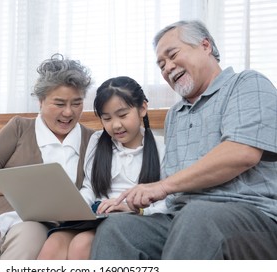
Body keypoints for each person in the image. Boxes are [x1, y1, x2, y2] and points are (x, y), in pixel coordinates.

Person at [91, 20, 277, 259]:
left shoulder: (247, 84)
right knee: (117, 230)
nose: (168, 67)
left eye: (173, 54)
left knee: (197, 217)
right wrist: (136, 206)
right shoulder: (174, 115)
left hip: (253, 217)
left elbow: (241, 153)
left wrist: (162, 186)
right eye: (161, 64)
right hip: (181, 218)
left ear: (206, 46)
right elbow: (174, 188)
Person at [0, 54, 94, 259]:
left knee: (25, 247)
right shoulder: (19, 127)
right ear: (41, 102)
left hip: (38, 223)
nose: (69, 112)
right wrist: (22, 192)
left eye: (77, 103)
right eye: (59, 104)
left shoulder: (91, 140)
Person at [37, 76, 167, 260]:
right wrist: (77, 205)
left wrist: (133, 208)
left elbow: (170, 201)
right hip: (96, 215)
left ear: (142, 109)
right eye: (106, 118)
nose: (115, 125)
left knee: (80, 246)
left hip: (134, 218)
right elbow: (90, 187)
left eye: (122, 115)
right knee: (53, 245)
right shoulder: (98, 141)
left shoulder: (162, 148)